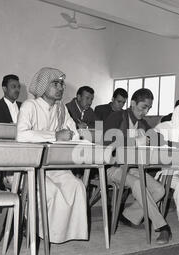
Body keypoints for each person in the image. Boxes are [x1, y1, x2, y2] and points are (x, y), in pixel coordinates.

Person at [16, 67, 88, 243]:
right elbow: (22, 135)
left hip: (53, 166)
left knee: (77, 186)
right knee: (52, 191)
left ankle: (60, 234)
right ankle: (38, 229)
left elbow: (75, 134)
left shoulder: (61, 109)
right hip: (29, 168)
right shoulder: (29, 106)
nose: (61, 87)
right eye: (55, 84)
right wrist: (54, 136)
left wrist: (72, 135)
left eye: (62, 84)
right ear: (42, 86)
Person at [104, 88, 171, 245]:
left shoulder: (142, 123)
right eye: (143, 107)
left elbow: (160, 140)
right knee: (136, 183)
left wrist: (149, 139)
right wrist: (135, 141)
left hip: (132, 167)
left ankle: (129, 216)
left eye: (149, 108)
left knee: (159, 190)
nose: (145, 111)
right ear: (132, 103)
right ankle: (162, 227)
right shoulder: (116, 116)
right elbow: (105, 143)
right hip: (111, 168)